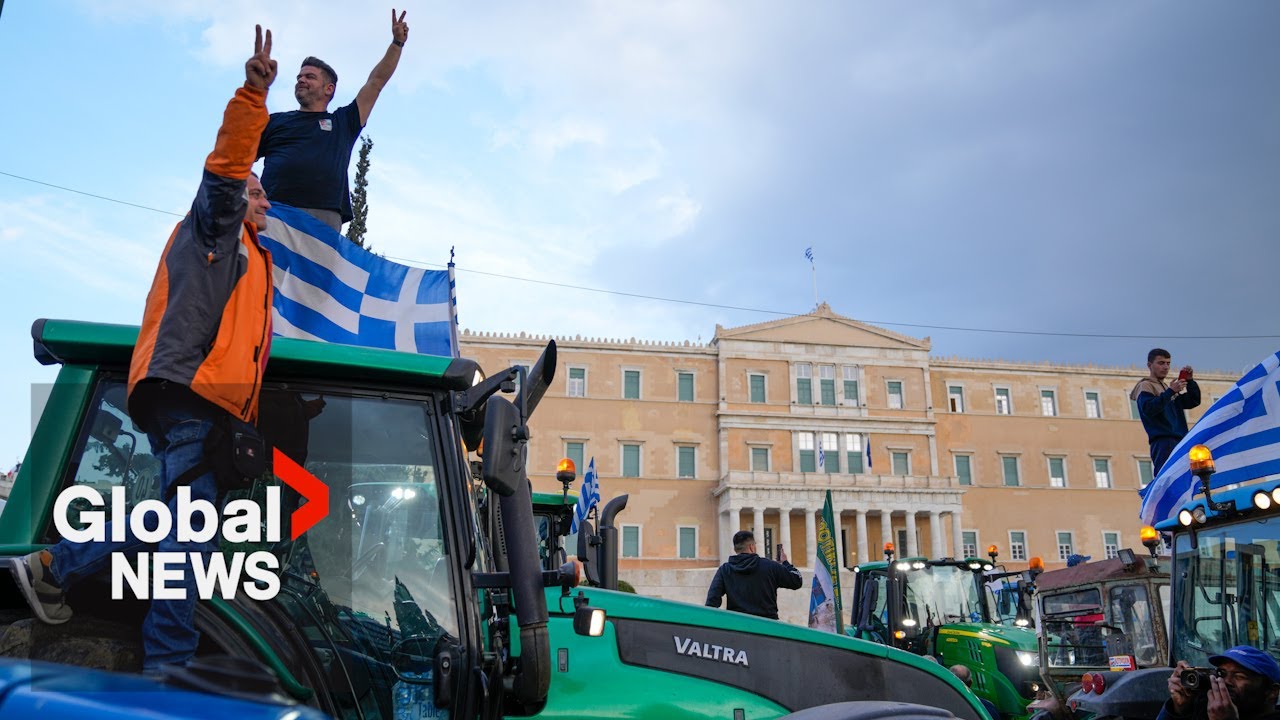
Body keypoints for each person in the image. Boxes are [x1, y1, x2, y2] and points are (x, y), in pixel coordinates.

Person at [9, 25, 278, 674]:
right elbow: (223, 173)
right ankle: (171, 666)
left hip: (194, 398)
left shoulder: (249, 257)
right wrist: (252, 96)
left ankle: (51, 566)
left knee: (172, 519)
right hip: (189, 394)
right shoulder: (218, 228)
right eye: (258, 192)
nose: (265, 201)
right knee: (190, 538)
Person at [257, 8, 409, 233]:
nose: (301, 80)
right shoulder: (275, 121)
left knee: (316, 271)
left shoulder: (343, 123)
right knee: (266, 269)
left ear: (329, 89)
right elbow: (239, 159)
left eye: (309, 76)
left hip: (323, 217)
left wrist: (397, 44)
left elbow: (375, 82)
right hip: (274, 211)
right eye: (299, 77)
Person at [1159, 646, 1280, 720]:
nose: (1225, 681)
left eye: (1239, 676)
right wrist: (1179, 709)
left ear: (1272, 692)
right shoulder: (1206, 709)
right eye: (1221, 673)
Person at [705, 530, 803, 620]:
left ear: (735, 549)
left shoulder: (725, 570)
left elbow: (711, 601)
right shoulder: (770, 566)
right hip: (768, 627)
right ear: (752, 547)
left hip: (737, 626)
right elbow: (797, 581)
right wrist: (785, 563)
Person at [1132, 348, 1201, 475]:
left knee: (1182, 479)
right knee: (1167, 479)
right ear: (1149, 365)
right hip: (1164, 441)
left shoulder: (1166, 387)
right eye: (1161, 363)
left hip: (1179, 439)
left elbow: (1193, 401)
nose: (1165, 367)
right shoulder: (1146, 385)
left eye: (1168, 363)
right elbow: (1148, 408)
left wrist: (1190, 382)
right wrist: (1170, 392)